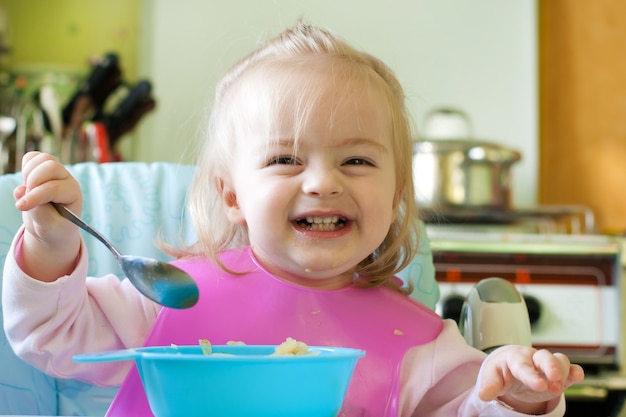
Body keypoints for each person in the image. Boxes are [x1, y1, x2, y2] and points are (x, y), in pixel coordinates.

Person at [2, 21, 583, 417]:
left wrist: (514, 395)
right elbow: (52, 335)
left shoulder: (422, 346)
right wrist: (50, 244)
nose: (323, 181)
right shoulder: (168, 300)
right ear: (232, 197)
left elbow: (471, 409)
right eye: (285, 160)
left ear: (397, 193)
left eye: (356, 160)